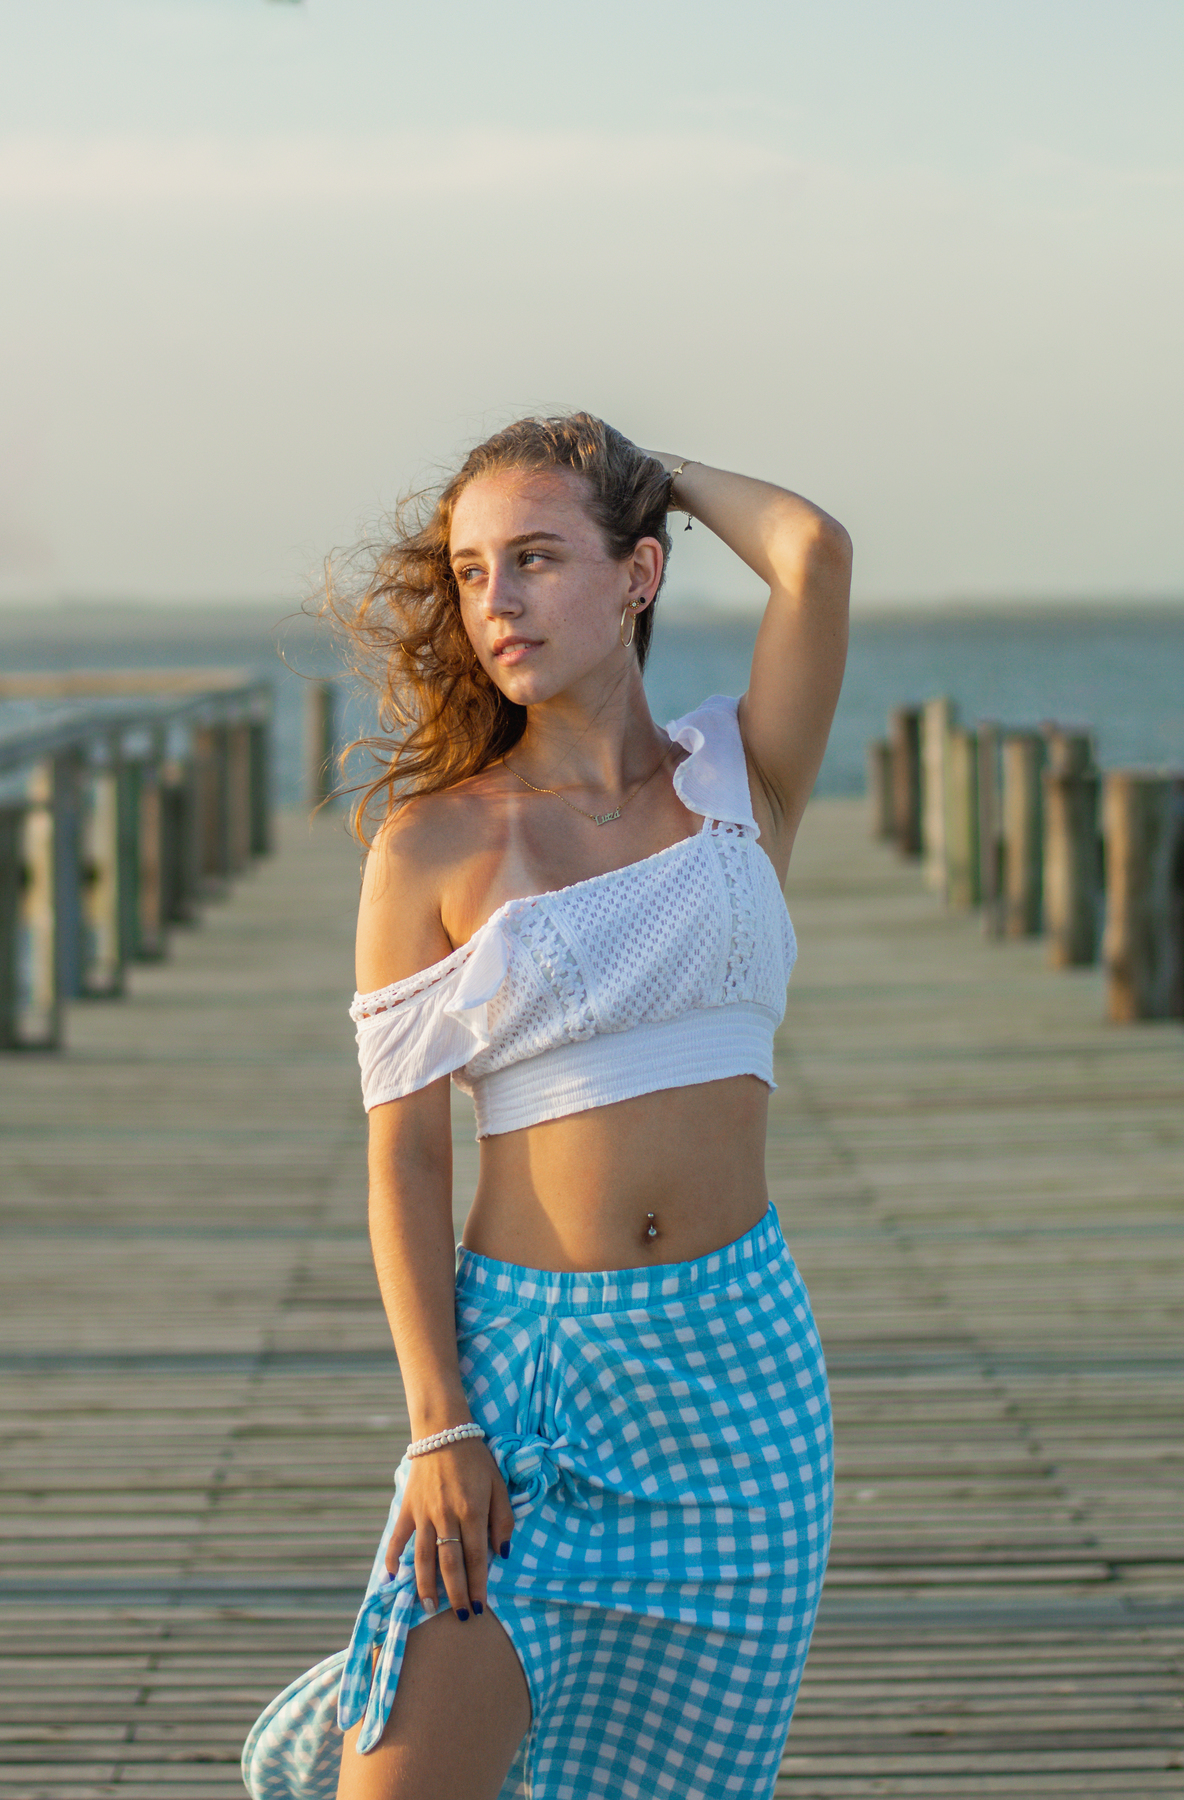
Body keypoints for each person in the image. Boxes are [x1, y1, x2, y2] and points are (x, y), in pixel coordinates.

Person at [242, 412, 851, 1800]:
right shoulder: (440, 843)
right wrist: (439, 1424)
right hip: (531, 1390)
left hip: (737, 1383)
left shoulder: (736, 783)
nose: (497, 602)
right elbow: (402, 1163)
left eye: (534, 558)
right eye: (469, 572)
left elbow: (812, 552)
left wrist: (650, 465)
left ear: (638, 575)